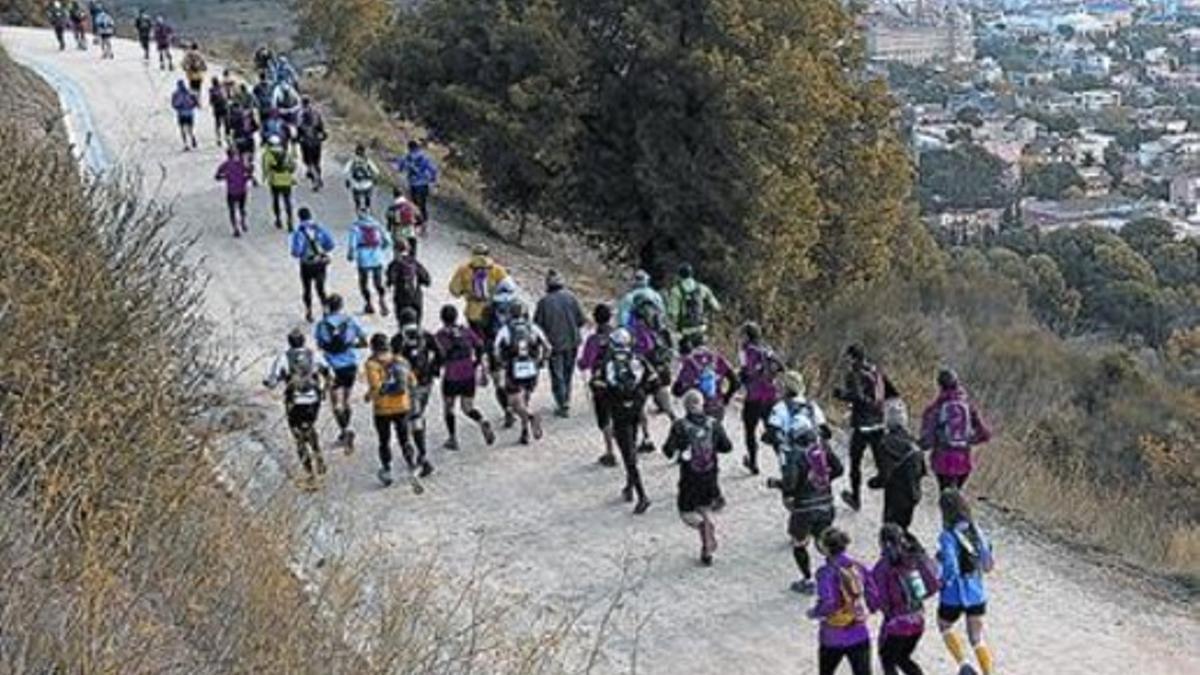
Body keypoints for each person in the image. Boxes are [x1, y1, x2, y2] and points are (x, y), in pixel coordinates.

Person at [766, 371, 840, 594]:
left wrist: (779, 483)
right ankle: (836, 572)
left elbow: (772, 432)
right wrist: (823, 477)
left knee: (793, 498)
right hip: (822, 487)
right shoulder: (812, 407)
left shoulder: (780, 408)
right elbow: (826, 431)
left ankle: (806, 576)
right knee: (825, 537)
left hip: (794, 465)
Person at [662, 390, 734, 566]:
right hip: (710, 475)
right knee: (703, 507)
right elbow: (727, 447)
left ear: (685, 406)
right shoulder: (713, 423)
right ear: (702, 404)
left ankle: (705, 529)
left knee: (686, 512)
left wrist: (681, 447)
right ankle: (706, 550)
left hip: (689, 477)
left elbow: (667, 451)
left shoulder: (679, 426)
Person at [596, 328, 658, 514]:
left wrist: (608, 402)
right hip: (636, 409)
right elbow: (655, 381)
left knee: (628, 454)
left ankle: (642, 495)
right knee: (631, 446)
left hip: (619, 410)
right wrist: (641, 394)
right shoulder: (639, 360)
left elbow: (598, 387)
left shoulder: (606, 362)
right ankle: (629, 487)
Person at [833, 344, 900, 512]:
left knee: (855, 463)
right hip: (879, 424)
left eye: (848, 357)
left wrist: (841, 394)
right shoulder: (877, 372)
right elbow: (893, 393)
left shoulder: (853, 374)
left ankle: (856, 498)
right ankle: (891, 497)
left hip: (862, 425)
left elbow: (856, 397)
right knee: (881, 462)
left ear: (852, 358)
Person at [936, 490, 996, 675]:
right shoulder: (976, 530)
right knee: (977, 638)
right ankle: (988, 672)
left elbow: (951, 567)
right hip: (977, 592)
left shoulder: (947, 535)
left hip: (954, 594)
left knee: (944, 625)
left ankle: (963, 664)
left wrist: (942, 581)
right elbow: (987, 564)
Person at [263, 328, 331, 489]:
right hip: (313, 399)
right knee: (309, 426)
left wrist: (268, 383)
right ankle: (318, 454)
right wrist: (324, 390)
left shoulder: (283, 358)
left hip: (295, 400)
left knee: (298, 434)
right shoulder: (314, 355)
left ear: (289, 342)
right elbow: (328, 372)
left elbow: (273, 381)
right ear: (303, 341)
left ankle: (309, 472)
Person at [807, 528, 880, 675]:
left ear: (825, 548)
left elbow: (829, 603)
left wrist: (814, 613)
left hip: (833, 635)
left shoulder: (825, 573)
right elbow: (873, 594)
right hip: (859, 632)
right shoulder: (858, 566)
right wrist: (870, 609)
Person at [871, 524, 940, 675]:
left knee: (887, 659)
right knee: (903, 658)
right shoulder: (914, 559)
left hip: (896, 623)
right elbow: (933, 584)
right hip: (918, 620)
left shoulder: (882, 567)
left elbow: (877, 600)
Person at [364, 333, 425, 490]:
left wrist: (368, 396)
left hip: (382, 409)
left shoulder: (372, 364)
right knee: (404, 439)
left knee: (384, 441)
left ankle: (387, 471)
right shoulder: (401, 360)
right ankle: (412, 466)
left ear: (373, 347)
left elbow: (375, 387)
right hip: (402, 406)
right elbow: (412, 381)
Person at [434, 304, 497, 450]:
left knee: (449, 408)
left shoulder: (441, 335)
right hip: (468, 374)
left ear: (442, 319)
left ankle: (452, 438)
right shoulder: (466, 331)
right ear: (456, 316)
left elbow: (439, 355)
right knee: (467, 407)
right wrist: (477, 362)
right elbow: (480, 345)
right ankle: (482, 421)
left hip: (451, 376)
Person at [920, 369, 991, 492]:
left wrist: (919, 445)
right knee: (956, 494)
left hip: (942, 461)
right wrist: (967, 440)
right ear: (958, 383)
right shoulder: (968, 407)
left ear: (939, 385)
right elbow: (985, 434)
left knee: (945, 496)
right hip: (964, 461)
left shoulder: (935, 409)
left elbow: (928, 441)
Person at [314, 294, 367, 451]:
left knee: (335, 402)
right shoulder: (350, 321)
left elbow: (319, 344)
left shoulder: (322, 325)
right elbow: (364, 341)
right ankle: (347, 426)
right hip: (350, 364)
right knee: (346, 400)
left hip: (332, 367)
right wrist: (351, 346)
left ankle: (344, 431)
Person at [493, 301, 550, 445]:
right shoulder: (534, 328)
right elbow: (548, 347)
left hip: (513, 370)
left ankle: (530, 418)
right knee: (525, 400)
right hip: (532, 370)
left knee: (514, 403)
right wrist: (542, 361)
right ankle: (525, 432)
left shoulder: (505, 330)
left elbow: (496, 350)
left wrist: (502, 362)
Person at [392, 309, 441, 472]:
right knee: (418, 413)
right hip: (425, 382)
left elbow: (391, 362)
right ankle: (421, 451)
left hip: (407, 384)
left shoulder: (397, 340)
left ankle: (420, 454)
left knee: (413, 416)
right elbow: (440, 354)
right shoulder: (426, 335)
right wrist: (433, 369)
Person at [534, 270, 586, 418]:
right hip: (572, 342)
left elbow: (537, 327)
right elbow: (581, 320)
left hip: (554, 344)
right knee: (568, 372)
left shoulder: (543, 303)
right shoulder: (571, 298)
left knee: (557, 375)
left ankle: (562, 403)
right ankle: (566, 400)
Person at [868, 400, 927, 531]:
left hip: (895, 497)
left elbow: (885, 475)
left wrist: (873, 483)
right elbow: (922, 471)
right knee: (903, 530)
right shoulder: (913, 442)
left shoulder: (886, 442)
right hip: (913, 495)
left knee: (890, 531)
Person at [628, 294, 677, 450]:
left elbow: (643, 349)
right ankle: (679, 431)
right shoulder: (660, 326)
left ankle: (647, 439)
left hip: (645, 371)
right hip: (661, 369)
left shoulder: (639, 328)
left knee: (640, 406)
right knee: (667, 405)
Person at [738, 321, 783, 475]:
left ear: (746, 336)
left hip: (754, 396)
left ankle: (753, 463)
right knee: (772, 431)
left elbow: (744, 375)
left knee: (750, 430)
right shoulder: (767, 349)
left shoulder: (745, 351)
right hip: (771, 396)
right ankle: (784, 462)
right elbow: (781, 367)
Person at [577, 304, 618, 467]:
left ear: (595, 319)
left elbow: (585, 363)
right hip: (619, 381)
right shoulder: (619, 335)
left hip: (601, 383)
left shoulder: (593, 340)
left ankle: (610, 452)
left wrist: (580, 363)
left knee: (605, 418)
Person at [672, 335, 737, 423]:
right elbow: (736, 382)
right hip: (717, 406)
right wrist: (726, 398)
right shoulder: (718, 359)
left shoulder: (688, 362)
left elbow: (676, 391)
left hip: (696, 409)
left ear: (691, 345)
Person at [290, 208, 336, 322]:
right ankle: (325, 309)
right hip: (320, 263)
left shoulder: (299, 232)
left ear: (299, 217)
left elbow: (296, 252)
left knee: (307, 288)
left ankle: (309, 311)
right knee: (321, 288)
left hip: (307, 264)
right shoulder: (319, 229)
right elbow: (330, 244)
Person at [347, 209, 392, 316]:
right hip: (377, 257)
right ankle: (382, 300)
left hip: (363, 258)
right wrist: (381, 249)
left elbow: (352, 244)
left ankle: (368, 303)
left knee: (364, 283)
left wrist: (351, 255)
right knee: (378, 282)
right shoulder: (377, 226)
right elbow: (387, 241)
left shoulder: (355, 227)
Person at [665, 263, 720, 343]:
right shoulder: (702, 287)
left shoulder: (676, 291)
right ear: (692, 274)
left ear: (679, 276)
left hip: (685, 330)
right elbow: (716, 307)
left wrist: (672, 328)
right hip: (701, 327)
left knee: (685, 354)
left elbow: (673, 313)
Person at [392, 139, 439, 224]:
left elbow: (400, 166)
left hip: (413, 184)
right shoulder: (425, 157)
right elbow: (433, 170)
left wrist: (397, 167)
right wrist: (433, 181)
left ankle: (417, 221)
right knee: (423, 204)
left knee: (414, 203)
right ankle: (424, 221)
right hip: (424, 184)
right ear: (417, 147)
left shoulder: (408, 157)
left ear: (409, 148)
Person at [386, 239, 431, 326]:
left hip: (402, 300)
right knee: (417, 325)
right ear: (408, 249)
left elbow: (390, 281)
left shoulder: (394, 264)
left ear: (395, 250)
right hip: (416, 298)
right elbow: (427, 281)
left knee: (403, 325)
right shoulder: (415, 263)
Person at [215, 147, 254, 237]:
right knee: (242, 208)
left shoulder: (225, 165)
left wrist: (225, 177)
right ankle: (243, 221)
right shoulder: (241, 163)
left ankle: (235, 228)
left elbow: (217, 176)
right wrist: (245, 178)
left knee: (232, 210)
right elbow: (249, 173)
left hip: (231, 191)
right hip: (242, 190)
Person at [261, 135, 298, 231]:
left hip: (274, 181)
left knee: (276, 200)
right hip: (286, 180)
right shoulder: (286, 153)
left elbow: (265, 168)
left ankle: (278, 220)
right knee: (287, 201)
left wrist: (265, 177)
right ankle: (290, 221)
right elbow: (293, 166)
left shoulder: (268, 154)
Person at [296, 97, 327, 190]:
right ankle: (319, 177)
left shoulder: (301, 114)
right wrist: (323, 135)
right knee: (316, 161)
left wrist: (297, 138)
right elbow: (321, 127)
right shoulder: (316, 113)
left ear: (302, 103)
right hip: (317, 141)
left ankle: (315, 180)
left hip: (306, 142)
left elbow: (299, 128)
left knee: (308, 162)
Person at [384, 189, 422, 256]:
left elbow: (389, 218)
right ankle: (413, 260)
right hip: (410, 229)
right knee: (412, 246)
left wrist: (389, 229)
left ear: (394, 196)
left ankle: (398, 261)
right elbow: (419, 217)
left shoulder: (392, 207)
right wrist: (417, 226)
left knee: (398, 249)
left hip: (398, 230)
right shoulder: (410, 205)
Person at [344, 144, 380, 212]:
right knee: (368, 196)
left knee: (356, 198)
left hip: (356, 185)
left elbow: (346, 171)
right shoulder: (367, 160)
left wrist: (347, 180)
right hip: (367, 184)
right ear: (364, 151)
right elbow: (376, 171)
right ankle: (368, 207)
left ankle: (358, 207)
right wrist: (375, 178)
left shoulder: (353, 160)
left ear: (355, 152)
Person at [171, 80, 199, 151]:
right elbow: (196, 103)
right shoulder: (190, 92)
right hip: (190, 114)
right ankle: (192, 137)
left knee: (182, 129)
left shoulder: (175, 94)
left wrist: (178, 107)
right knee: (190, 128)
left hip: (181, 114)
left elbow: (173, 105)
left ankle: (186, 144)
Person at [229, 101, 258, 167]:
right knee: (249, 158)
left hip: (238, 140)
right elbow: (256, 127)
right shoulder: (249, 116)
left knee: (239, 159)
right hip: (248, 139)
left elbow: (230, 129)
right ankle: (248, 169)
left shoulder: (233, 117)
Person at [209, 76, 229, 145]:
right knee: (226, 123)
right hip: (224, 108)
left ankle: (218, 138)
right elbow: (227, 98)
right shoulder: (223, 88)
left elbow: (211, 101)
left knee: (217, 124)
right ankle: (227, 137)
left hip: (217, 109)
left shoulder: (211, 90)